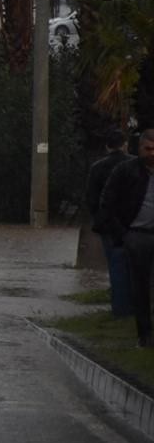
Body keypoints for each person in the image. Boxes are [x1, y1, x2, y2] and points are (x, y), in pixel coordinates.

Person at [97, 128, 154, 348]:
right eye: (148, 149)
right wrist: (123, 234)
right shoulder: (125, 171)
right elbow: (106, 204)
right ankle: (145, 335)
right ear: (138, 149)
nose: (152, 154)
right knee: (140, 287)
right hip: (136, 236)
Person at [87, 129, 134, 317]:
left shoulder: (97, 168)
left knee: (116, 266)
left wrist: (100, 219)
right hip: (135, 225)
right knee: (136, 267)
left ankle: (120, 310)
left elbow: (91, 199)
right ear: (125, 144)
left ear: (107, 147)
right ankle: (135, 309)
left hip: (109, 227)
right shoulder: (135, 164)